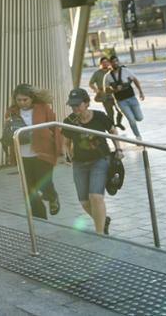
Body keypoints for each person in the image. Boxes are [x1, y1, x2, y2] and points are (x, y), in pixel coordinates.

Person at [62, 88, 123, 235]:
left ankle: (99, 233)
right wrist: (67, 154)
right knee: (84, 202)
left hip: (100, 159)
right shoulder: (69, 121)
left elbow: (113, 131)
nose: (75, 108)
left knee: (95, 197)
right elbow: (65, 142)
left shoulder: (100, 117)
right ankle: (103, 220)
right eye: (72, 105)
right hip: (79, 163)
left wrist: (118, 149)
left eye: (78, 104)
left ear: (87, 103)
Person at [4, 84, 61, 219]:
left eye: (25, 100)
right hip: (23, 155)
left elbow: (55, 127)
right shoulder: (12, 112)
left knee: (44, 184)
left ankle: (52, 197)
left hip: (42, 154)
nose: (22, 103)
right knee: (29, 191)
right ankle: (40, 219)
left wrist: (59, 148)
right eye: (19, 100)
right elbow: (8, 130)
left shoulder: (43, 108)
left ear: (32, 98)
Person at [103, 56, 145, 140]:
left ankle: (134, 120)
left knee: (139, 118)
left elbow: (135, 80)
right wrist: (114, 90)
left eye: (116, 61)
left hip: (132, 98)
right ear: (110, 64)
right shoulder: (107, 76)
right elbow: (105, 90)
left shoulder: (125, 71)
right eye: (113, 62)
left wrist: (140, 92)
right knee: (131, 119)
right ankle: (138, 136)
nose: (115, 63)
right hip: (121, 101)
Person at [88, 56, 124, 130]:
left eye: (106, 62)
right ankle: (113, 128)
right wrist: (96, 90)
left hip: (115, 95)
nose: (105, 63)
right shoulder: (97, 73)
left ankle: (118, 123)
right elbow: (91, 83)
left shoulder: (112, 71)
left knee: (121, 110)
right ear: (100, 63)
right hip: (105, 97)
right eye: (103, 62)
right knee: (110, 114)